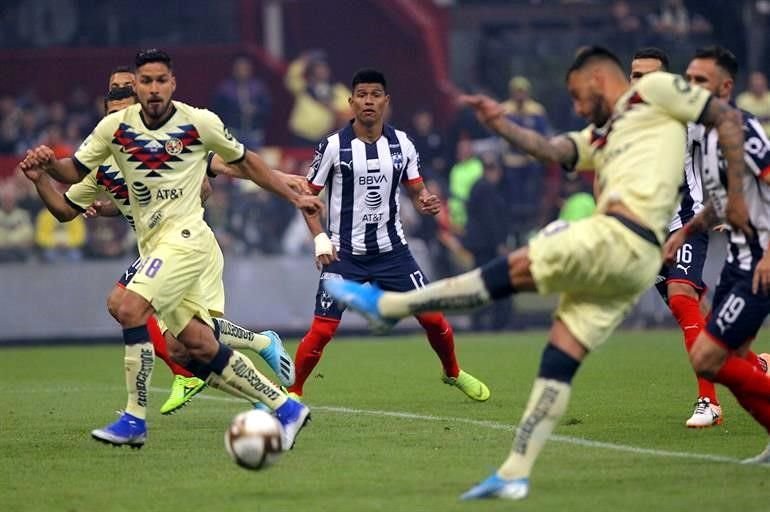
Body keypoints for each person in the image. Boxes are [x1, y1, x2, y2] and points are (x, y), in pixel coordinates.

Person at [324, 47, 750, 500]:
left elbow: (726, 118)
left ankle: (391, 306)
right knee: (559, 358)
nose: (577, 107)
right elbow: (552, 149)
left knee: (521, 264)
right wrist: (501, 124)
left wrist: (735, 193)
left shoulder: (657, 89)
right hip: (635, 260)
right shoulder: (607, 130)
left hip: (621, 239)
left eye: (577, 96)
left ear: (597, 79)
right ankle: (515, 470)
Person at [17, 49, 323, 450]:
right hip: (154, 246)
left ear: (171, 83)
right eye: (138, 84)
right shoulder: (112, 135)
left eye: (155, 81)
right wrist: (44, 171)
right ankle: (284, 407)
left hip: (188, 239)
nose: (146, 90)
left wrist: (289, 191)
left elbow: (237, 163)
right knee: (195, 344)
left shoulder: (195, 123)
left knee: (126, 305)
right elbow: (69, 177)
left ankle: (133, 419)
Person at [286, 68, 489, 402]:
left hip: (393, 251)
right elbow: (307, 198)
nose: (368, 101)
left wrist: (424, 200)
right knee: (322, 330)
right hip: (344, 253)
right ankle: (292, 392)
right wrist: (320, 238)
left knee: (434, 318)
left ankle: (452, 372)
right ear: (351, 102)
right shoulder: (333, 146)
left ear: (386, 101)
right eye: (362, 95)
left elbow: (416, 188)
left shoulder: (402, 143)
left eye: (375, 94)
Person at [663, 46, 770, 462]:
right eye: (687, 79)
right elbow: (721, 202)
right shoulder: (705, 134)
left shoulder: (738, 127)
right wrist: (685, 232)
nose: (691, 87)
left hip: (758, 264)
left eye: (701, 81)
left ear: (726, 87)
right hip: (738, 262)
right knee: (738, 359)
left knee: (708, 357)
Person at [629, 46, 722, 427]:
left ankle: (709, 402)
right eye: (636, 75)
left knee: (682, 297)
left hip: (686, 223)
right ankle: (756, 365)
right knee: (692, 311)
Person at [285, 50, 351, 146]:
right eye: (318, 67)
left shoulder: (337, 90)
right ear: (312, 70)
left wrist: (332, 108)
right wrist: (304, 60)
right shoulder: (303, 87)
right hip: (299, 135)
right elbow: (291, 77)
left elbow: (351, 109)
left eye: (324, 67)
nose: (321, 70)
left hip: (323, 137)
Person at [212, 54, 272, 148]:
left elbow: (267, 107)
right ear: (234, 70)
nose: (242, 71)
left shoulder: (259, 87)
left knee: (253, 159)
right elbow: (217, 110)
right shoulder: (225, 88)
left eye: (245, 68)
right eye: (239, 68)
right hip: (233, 130)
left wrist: (255, 110)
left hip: (254, 132)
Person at [736, 71, 770, 138]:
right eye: (755, 85)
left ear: (765, 84)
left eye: (760, 84)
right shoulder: (742, 100)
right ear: (750, 85)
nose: (758, 86)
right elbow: (739, 120)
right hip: (750, 137)